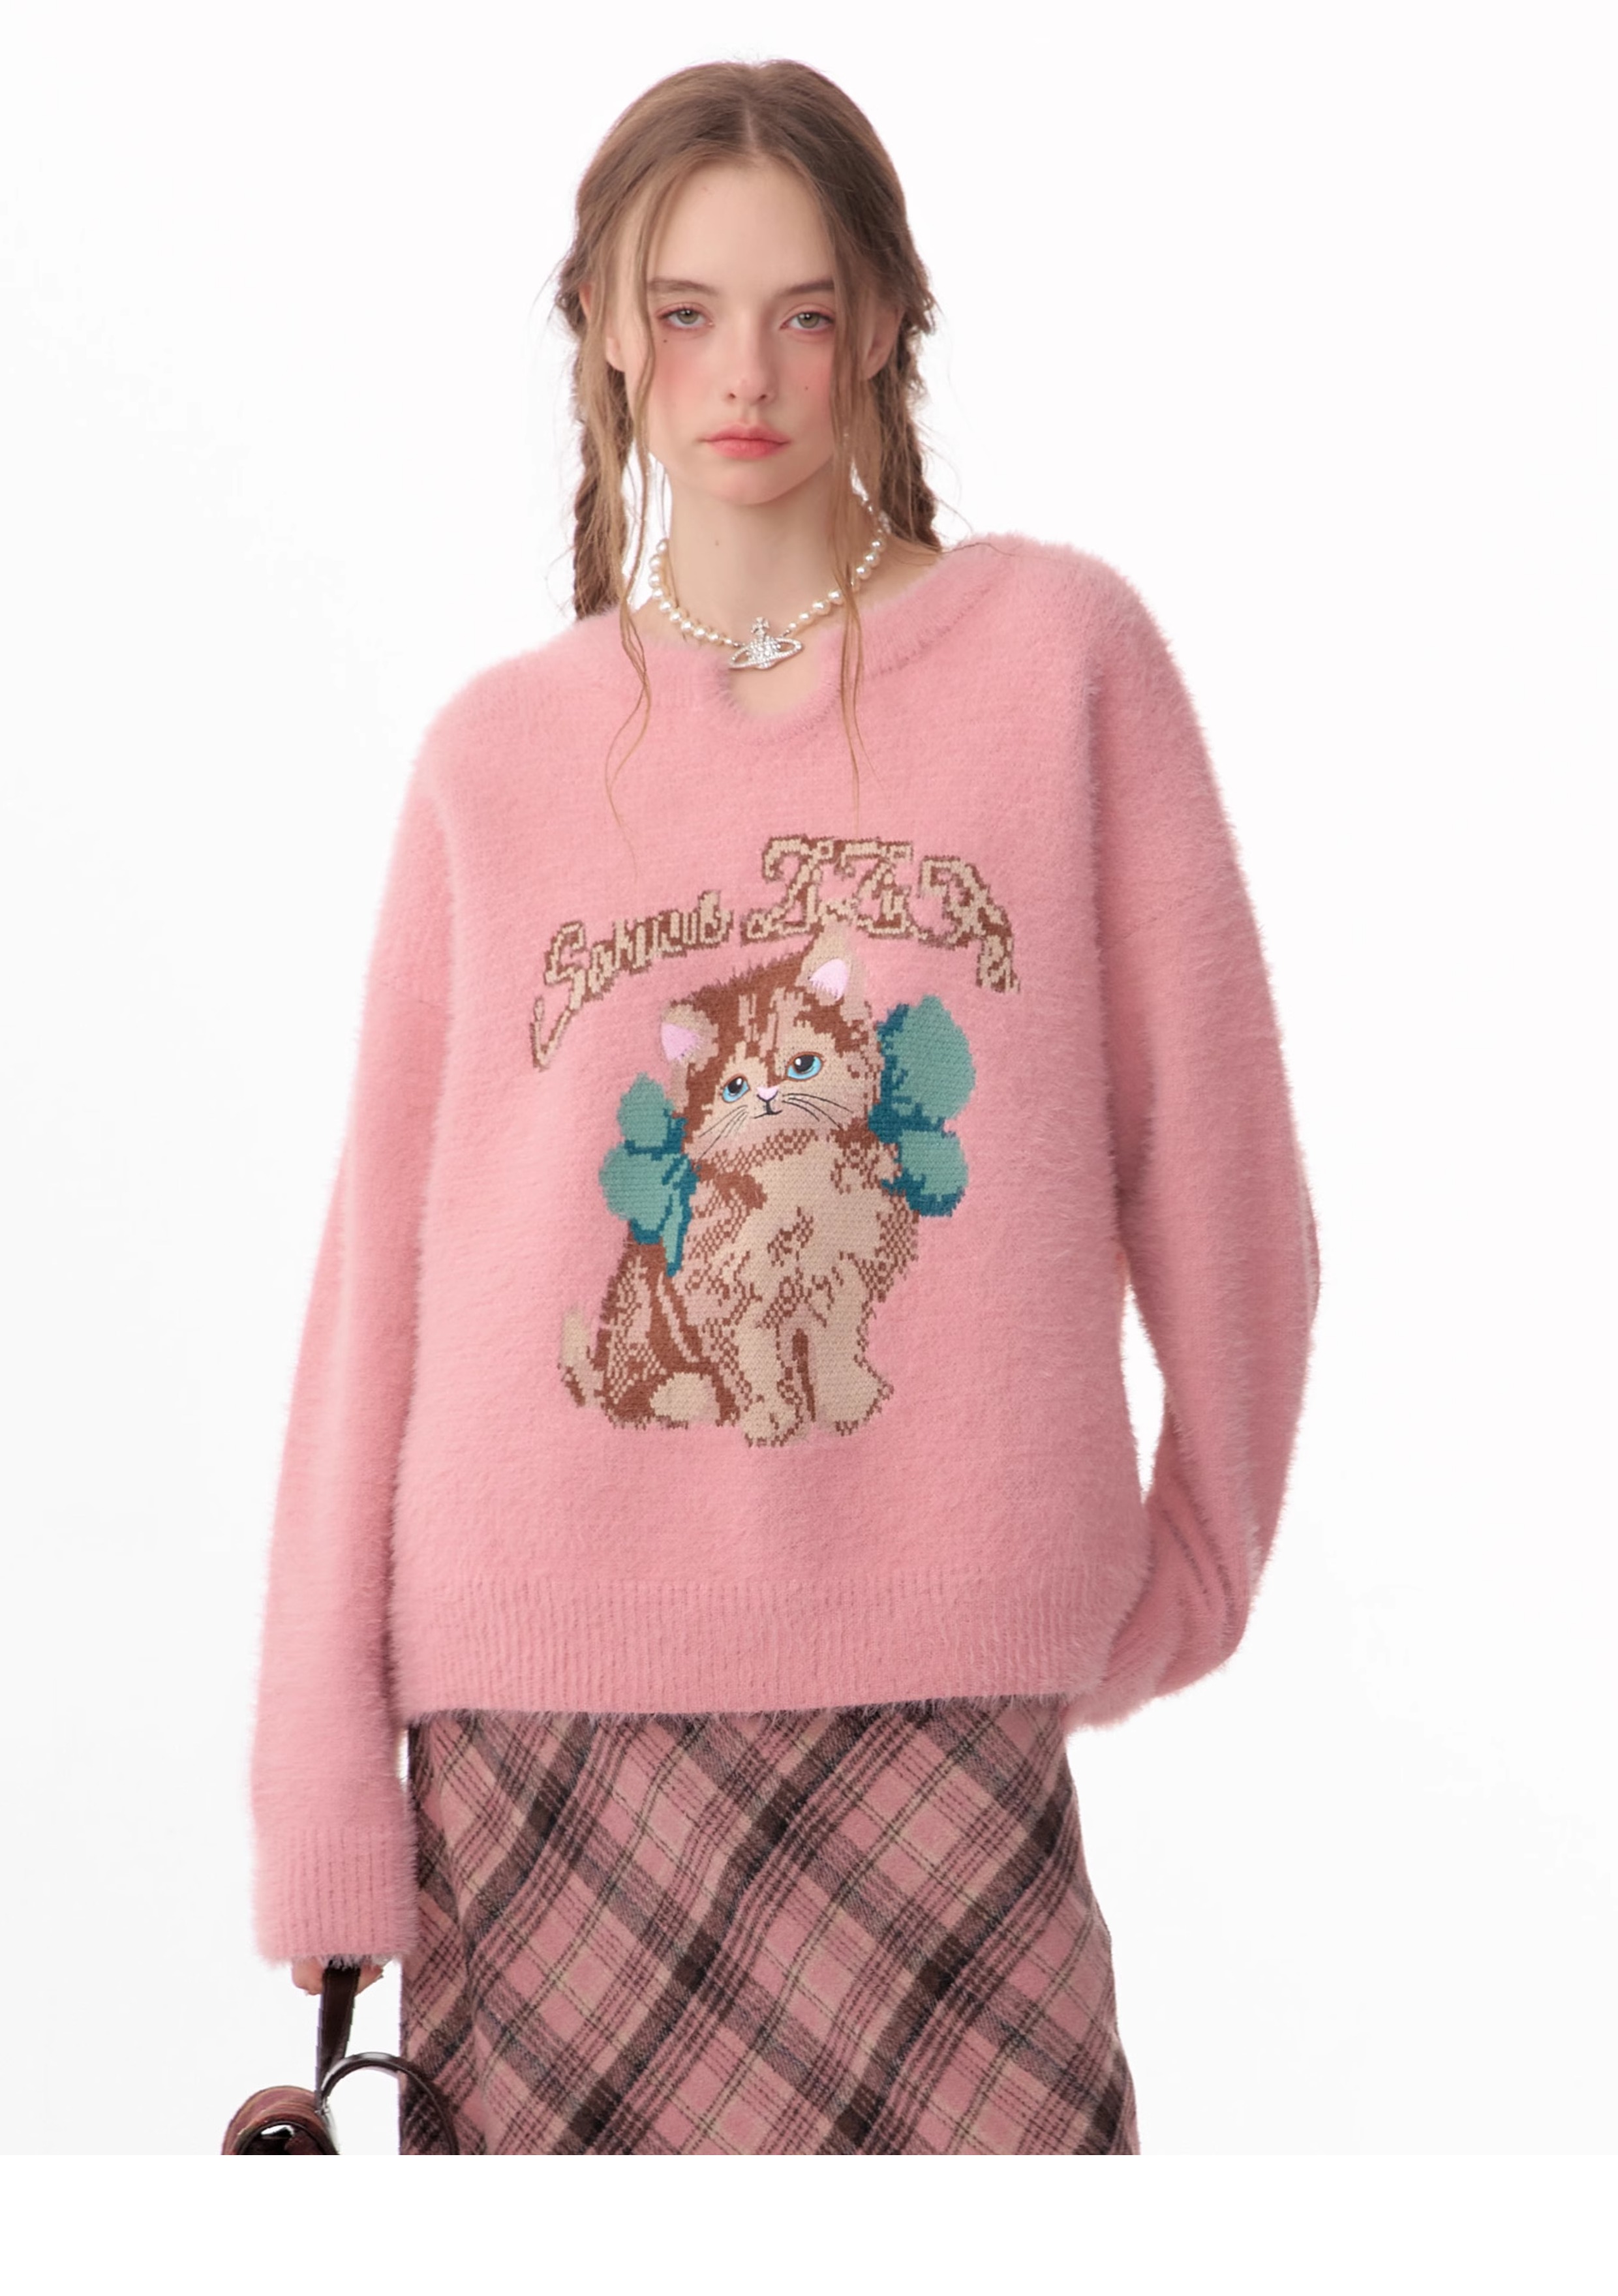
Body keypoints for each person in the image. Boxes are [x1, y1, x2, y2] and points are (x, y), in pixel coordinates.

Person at [249, 58, 1320, 2154]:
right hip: (539, 1745)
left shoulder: (1060, 660)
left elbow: (1223, 1166)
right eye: (685, 312)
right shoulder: (496, 757)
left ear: (888, 321)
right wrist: (320, 1796)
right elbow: (379, 1289)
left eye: (804, 312)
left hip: (939, 1708)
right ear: (601, 332)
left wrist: (1186, 1563)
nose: (744, 373)